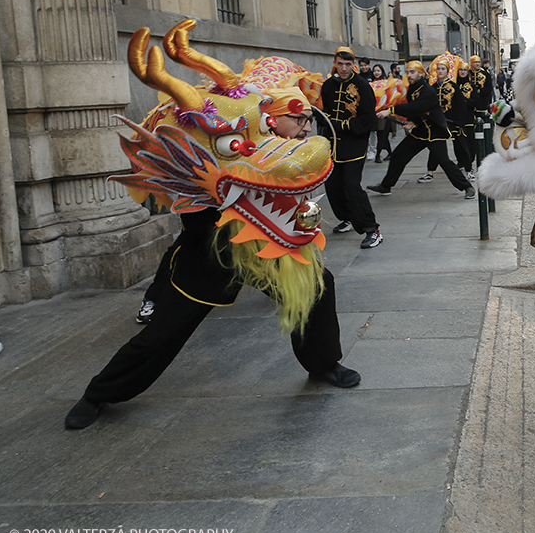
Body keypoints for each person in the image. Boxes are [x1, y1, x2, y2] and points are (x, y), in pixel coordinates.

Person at [65, 87, 362, 430]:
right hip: (210, 253)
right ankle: (98, 394)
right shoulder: (215, 149)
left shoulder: (278, 149)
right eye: (299, 119)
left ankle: (323, 363)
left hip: (265, 249)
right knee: (163, 334)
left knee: (318, 286)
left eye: (308, 120)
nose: (306, 128)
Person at [366, 60, 476, 199]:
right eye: (407, 72)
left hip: (435, 132)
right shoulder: (412, 89)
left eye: (413, 72)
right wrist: (412, 122)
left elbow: (416, 107)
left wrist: (391, 111)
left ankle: (467, 187)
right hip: (420, 132)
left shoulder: (428, 91)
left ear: (421, 73)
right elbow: (416, 112)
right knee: (398, 155)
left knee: (444, 161)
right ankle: (386, 186)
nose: (409, 75)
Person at [320, 48, 382, 249]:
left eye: (348, 64)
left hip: (354, 145)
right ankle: (347, 217)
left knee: (352, 186)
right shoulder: (328, 85)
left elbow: (368, 119)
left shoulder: (362, 86)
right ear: (335, 63)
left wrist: (344, 125)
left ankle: (372, 230)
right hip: (332, 144)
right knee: (332, 185)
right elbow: (326, 112)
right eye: (340, 64)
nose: (344, 68)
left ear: (353, 64)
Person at [421, 57, 475, 183]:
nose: (440, 71)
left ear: (447, 71)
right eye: (438, 69)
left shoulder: (453, 87)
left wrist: (460, 122)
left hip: (453, 122)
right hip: (438, 122)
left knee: (462, 145)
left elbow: (461, 106)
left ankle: (468, 170)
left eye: (443, 69)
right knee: (435, 147)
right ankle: (430, 172)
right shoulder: (432, 88)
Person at [370, 63, 394, 163]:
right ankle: (390, 153)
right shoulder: (370, 83)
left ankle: (378, 155)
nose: (376, 73)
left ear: (382, 71)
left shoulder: (387, 83)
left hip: (385, 112)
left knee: (382, 134)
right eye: (375, 71)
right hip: (375, 113)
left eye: (378, 71)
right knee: (381, 134)